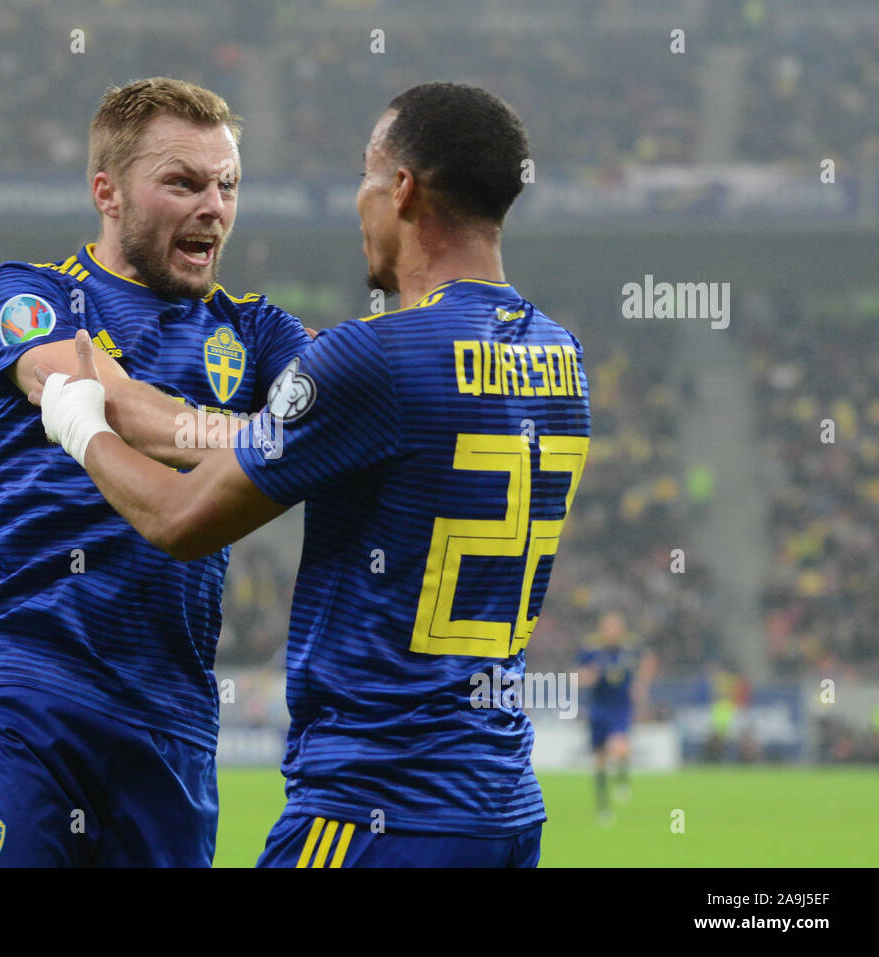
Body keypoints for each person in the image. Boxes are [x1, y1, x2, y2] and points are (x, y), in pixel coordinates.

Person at [37, 82, 591, 867]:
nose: (358, 200)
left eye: (367, 175)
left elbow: (178, 520)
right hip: (503, 806)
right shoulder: (563, 358)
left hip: (377, 801)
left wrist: (83, 425)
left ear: (401, 189)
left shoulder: (375, 354)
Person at [0, 77, 311, 867]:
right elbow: (113, 405)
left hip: (171, 723)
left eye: (228, 185)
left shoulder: (258, 330)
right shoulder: (30, 297)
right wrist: (260, 436)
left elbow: (338, 412)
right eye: (182, 182)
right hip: (25, 697)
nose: (213, 205)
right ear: (106, 192)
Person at [577, 611, 656, 824]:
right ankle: (603, 806)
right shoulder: (590, 649)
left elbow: (648, 661)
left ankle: (622, 777)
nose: (612, 631)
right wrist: (587, 677)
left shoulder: (631, 647)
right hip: (598, 708)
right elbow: (578, 676)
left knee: (619, 747)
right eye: (608, 627)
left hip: (620, 707)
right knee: (600, 760)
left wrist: (642, 683)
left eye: (615, 627)